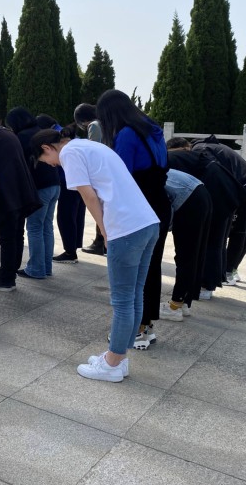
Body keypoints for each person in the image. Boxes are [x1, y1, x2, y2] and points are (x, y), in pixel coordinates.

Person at [32, 129, 159, 382]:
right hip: (147, 222)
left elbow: (88, 196)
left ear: (47, 148)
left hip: (125, 227)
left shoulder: (69, 153)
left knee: (122, 300)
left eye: (45, 160)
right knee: (135, 293)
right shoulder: (89, 145)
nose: (51, 165)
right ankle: (119, 358)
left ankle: (112, 364)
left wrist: (104, 232)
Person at [96, 90, 170, 349]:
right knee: (151, 267)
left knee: (134, 274)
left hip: (138, 207)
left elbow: (120, 175)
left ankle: (136, 329)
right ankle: (145, 325)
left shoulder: (127, 134)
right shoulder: (152, 130)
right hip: (159, 205)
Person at [166, 137, 246, 300]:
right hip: (224, 190)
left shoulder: (168, 159)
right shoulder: (185, 156)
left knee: (211, 242)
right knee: (215, 242)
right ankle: (206, 284)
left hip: (216, 192)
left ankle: (206, 286)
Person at [0, 115, 41, 292]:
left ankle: (6, 279)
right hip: (21, 190)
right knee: (17, 234)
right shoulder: (6, 132)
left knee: (7, 238)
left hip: (6, 193)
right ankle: (10, 275)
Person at [191, 135, 246, 285]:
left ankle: (229, 271)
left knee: (239, 230)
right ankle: (230, 269)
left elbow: (214, 172)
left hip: (243, 188)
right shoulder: (212, 146)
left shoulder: (200, 149)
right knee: (242, 229)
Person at [5, 107, 60, 280]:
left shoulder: (22, 137)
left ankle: (36, 268)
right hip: (55, 183)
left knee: (35, 227)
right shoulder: (41, 131)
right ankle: (46, 266)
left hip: (39, 187)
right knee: (47, 226)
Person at [159, 169, 212, 320]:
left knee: (185, 256)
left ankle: (175, 306)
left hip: (189, 200)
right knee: (193, 254)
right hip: (200, 193)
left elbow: (162, 208)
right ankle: (184, 303)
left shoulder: (134, 174)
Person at [36, 115, 85, 264]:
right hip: (78, 180)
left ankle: (70, 252)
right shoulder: (67, 133)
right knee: (77, 214)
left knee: (65, 216)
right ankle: (74, 247)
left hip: (67, 181)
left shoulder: (56, 137)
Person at [74, 103, 105, 255]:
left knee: (99, 207)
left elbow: (93, 149)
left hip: (100, 172)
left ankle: (100, 242)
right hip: (106, 169)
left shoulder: (94, 125)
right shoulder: (104, 122)